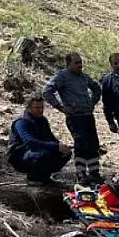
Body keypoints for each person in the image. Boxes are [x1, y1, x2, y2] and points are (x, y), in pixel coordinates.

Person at [43, 52, 103, 184]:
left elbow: (96, 88)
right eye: (76, 62)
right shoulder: (62, 76)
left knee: (93, 143)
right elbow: (47, 91)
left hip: (87, 115)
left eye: (80, 62)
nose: (80, 65)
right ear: (68, 63)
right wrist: (61, 107)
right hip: (75, 117)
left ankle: (94, 173)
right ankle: (81, 174)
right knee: (81, 144)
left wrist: (92, 102)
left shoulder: (83, 77)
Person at [9, 96, 73, 184]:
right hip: (20, 155)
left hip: (35, 151)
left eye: (42, 107)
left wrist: (62, 147)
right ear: (29, 108)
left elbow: (51, 138)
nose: (40, 110)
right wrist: (55, 146)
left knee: (64, 153)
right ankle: (33, 177)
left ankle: (44, 176)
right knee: (44, 154)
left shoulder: (42, 120)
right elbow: (30, 142)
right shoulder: (22, 122)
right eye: (37, 108)